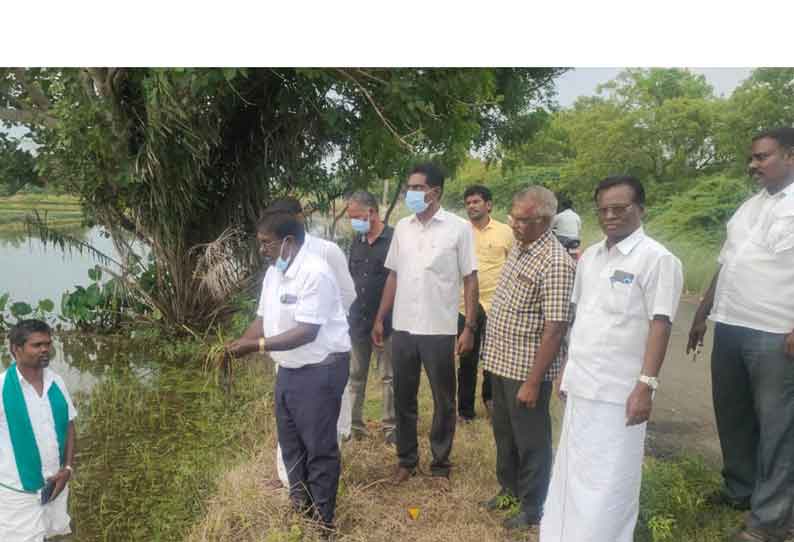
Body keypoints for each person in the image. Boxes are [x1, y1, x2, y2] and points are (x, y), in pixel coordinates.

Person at [540, 175, 683, 542]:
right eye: (603, 209)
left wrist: (645, 386)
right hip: (582, 384)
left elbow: (661, 325)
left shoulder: (658, 260)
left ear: (640, 209)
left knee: (610, 483)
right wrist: (565, 370)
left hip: (620, 393)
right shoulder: (590, 257)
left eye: (619, 208)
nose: (610, 216)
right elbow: (582, 318)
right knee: (573, 472)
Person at [686, 127, 794, 542]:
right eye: (752, 158)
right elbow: (727, 261)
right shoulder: (749, 207)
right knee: (733, 415)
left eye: (762, 157)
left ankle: (770, 520)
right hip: (730, 324)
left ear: (790, 155)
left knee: (779, 427)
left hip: (774, 331)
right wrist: (702, 311)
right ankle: (740, 490)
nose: (753, 165)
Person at [227, 212, 350, 538]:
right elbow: (263, 320)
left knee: (319, 447)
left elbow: (307, 332)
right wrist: (239, 342)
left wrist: (256, 347)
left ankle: (323, 522)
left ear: (288, 242)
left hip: (321, 368)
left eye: (266, 243)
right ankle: (300, 504)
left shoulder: (316, 273)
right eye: (260, 243)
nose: (262, 249)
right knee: (291, 442)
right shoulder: (274, 274)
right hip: (290, 369)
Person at [372, 162, 478, 485]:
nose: (412, 193)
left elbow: (470, 279)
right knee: (404, 396)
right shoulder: (403, 227)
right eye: (410, 188)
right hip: (403, 326)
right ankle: (406, 460)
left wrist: (469, 327)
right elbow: (393, 274)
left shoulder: (458, 228)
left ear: (436, 192)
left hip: (439, 329)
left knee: (444, 399)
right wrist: (380, 317)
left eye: (418, 188)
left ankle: (440, 464)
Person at [479, 186, 575, 530]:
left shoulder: (555, 262)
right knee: (504, 433)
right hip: (501, 362)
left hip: (525, 371)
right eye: (513, 217)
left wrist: (534, 382)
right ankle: (509, 490)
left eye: (522, 219)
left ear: (545, 220)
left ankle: (533, 506)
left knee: (531, 441)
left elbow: (555, 328)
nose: (514, 224)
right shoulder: (521, 249)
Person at [261, 198, 355, 488]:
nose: (265, 247)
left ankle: (321, 506)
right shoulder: (276, 266)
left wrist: (322, 320)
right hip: (288, 358)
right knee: (290, 436)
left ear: (296, 222)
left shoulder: (325, 254)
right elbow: (267, 313)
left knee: (321, 436)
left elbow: (347, 295)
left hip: (321, 361)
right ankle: (295, 492)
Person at [1, 319, 77, 542]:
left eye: (47, 343)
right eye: (37, 345)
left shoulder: (57, 382)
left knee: (51, 533)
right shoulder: (2, 388)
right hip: (16, 494)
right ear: (16, 349)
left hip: (55, 483)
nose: (45, 349)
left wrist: (68, 468)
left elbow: (69, 426)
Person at [457, 184, 514, 421]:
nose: (472, 206)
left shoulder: (505, 232)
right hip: (464, 305)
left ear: (488, 205)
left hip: (496, 303)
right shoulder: (460, 231)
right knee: (466, 357)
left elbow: (513, 264)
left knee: (493, 357)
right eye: (468, 203)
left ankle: (490, 400)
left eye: (476, 202)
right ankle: (465, 410)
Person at [345, 190, 396, 444]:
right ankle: (354, 427)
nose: (352, 221)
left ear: (372, 212)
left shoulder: (394, 239)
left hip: (386, 323)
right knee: (355, 376)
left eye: (356, 216)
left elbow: (398, 281)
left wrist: (382, 318)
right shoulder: (357, 241)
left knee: (389, 377)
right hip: (357, 321)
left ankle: (391, 427)